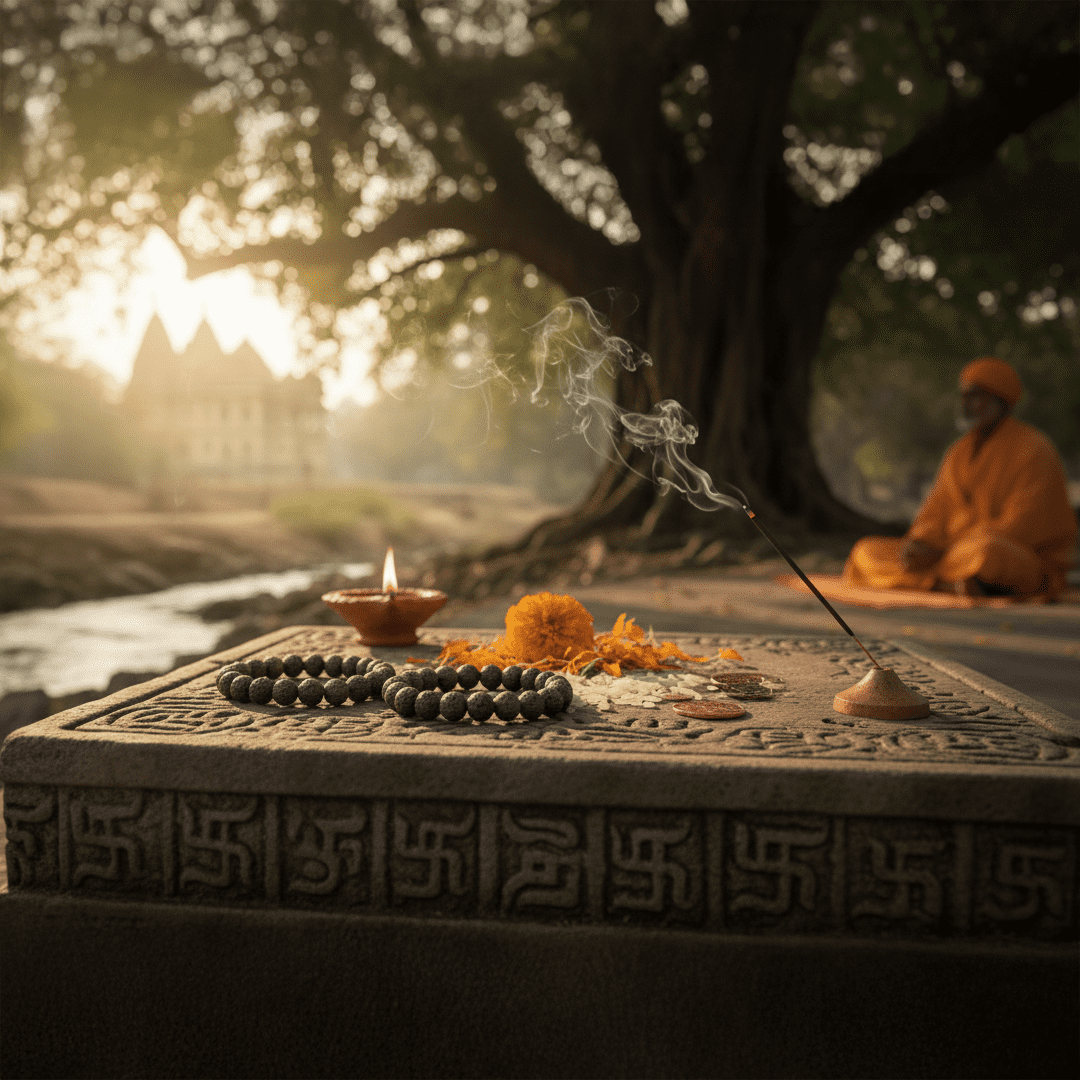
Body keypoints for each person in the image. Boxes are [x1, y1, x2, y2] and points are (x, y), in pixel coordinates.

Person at [843, 357, 1077, 599]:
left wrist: (945, 549)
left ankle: (946, 579)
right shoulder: (958, 452)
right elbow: (935, 510)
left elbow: (1022, 526)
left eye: (977, 397)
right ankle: (950, 582)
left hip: (1013, 556)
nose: (967, 404)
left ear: (1003, 402)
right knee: (866, 551)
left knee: (988, 553)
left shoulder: (1035, 449)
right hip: (950, 555)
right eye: (965, 396)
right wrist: (921, 543)